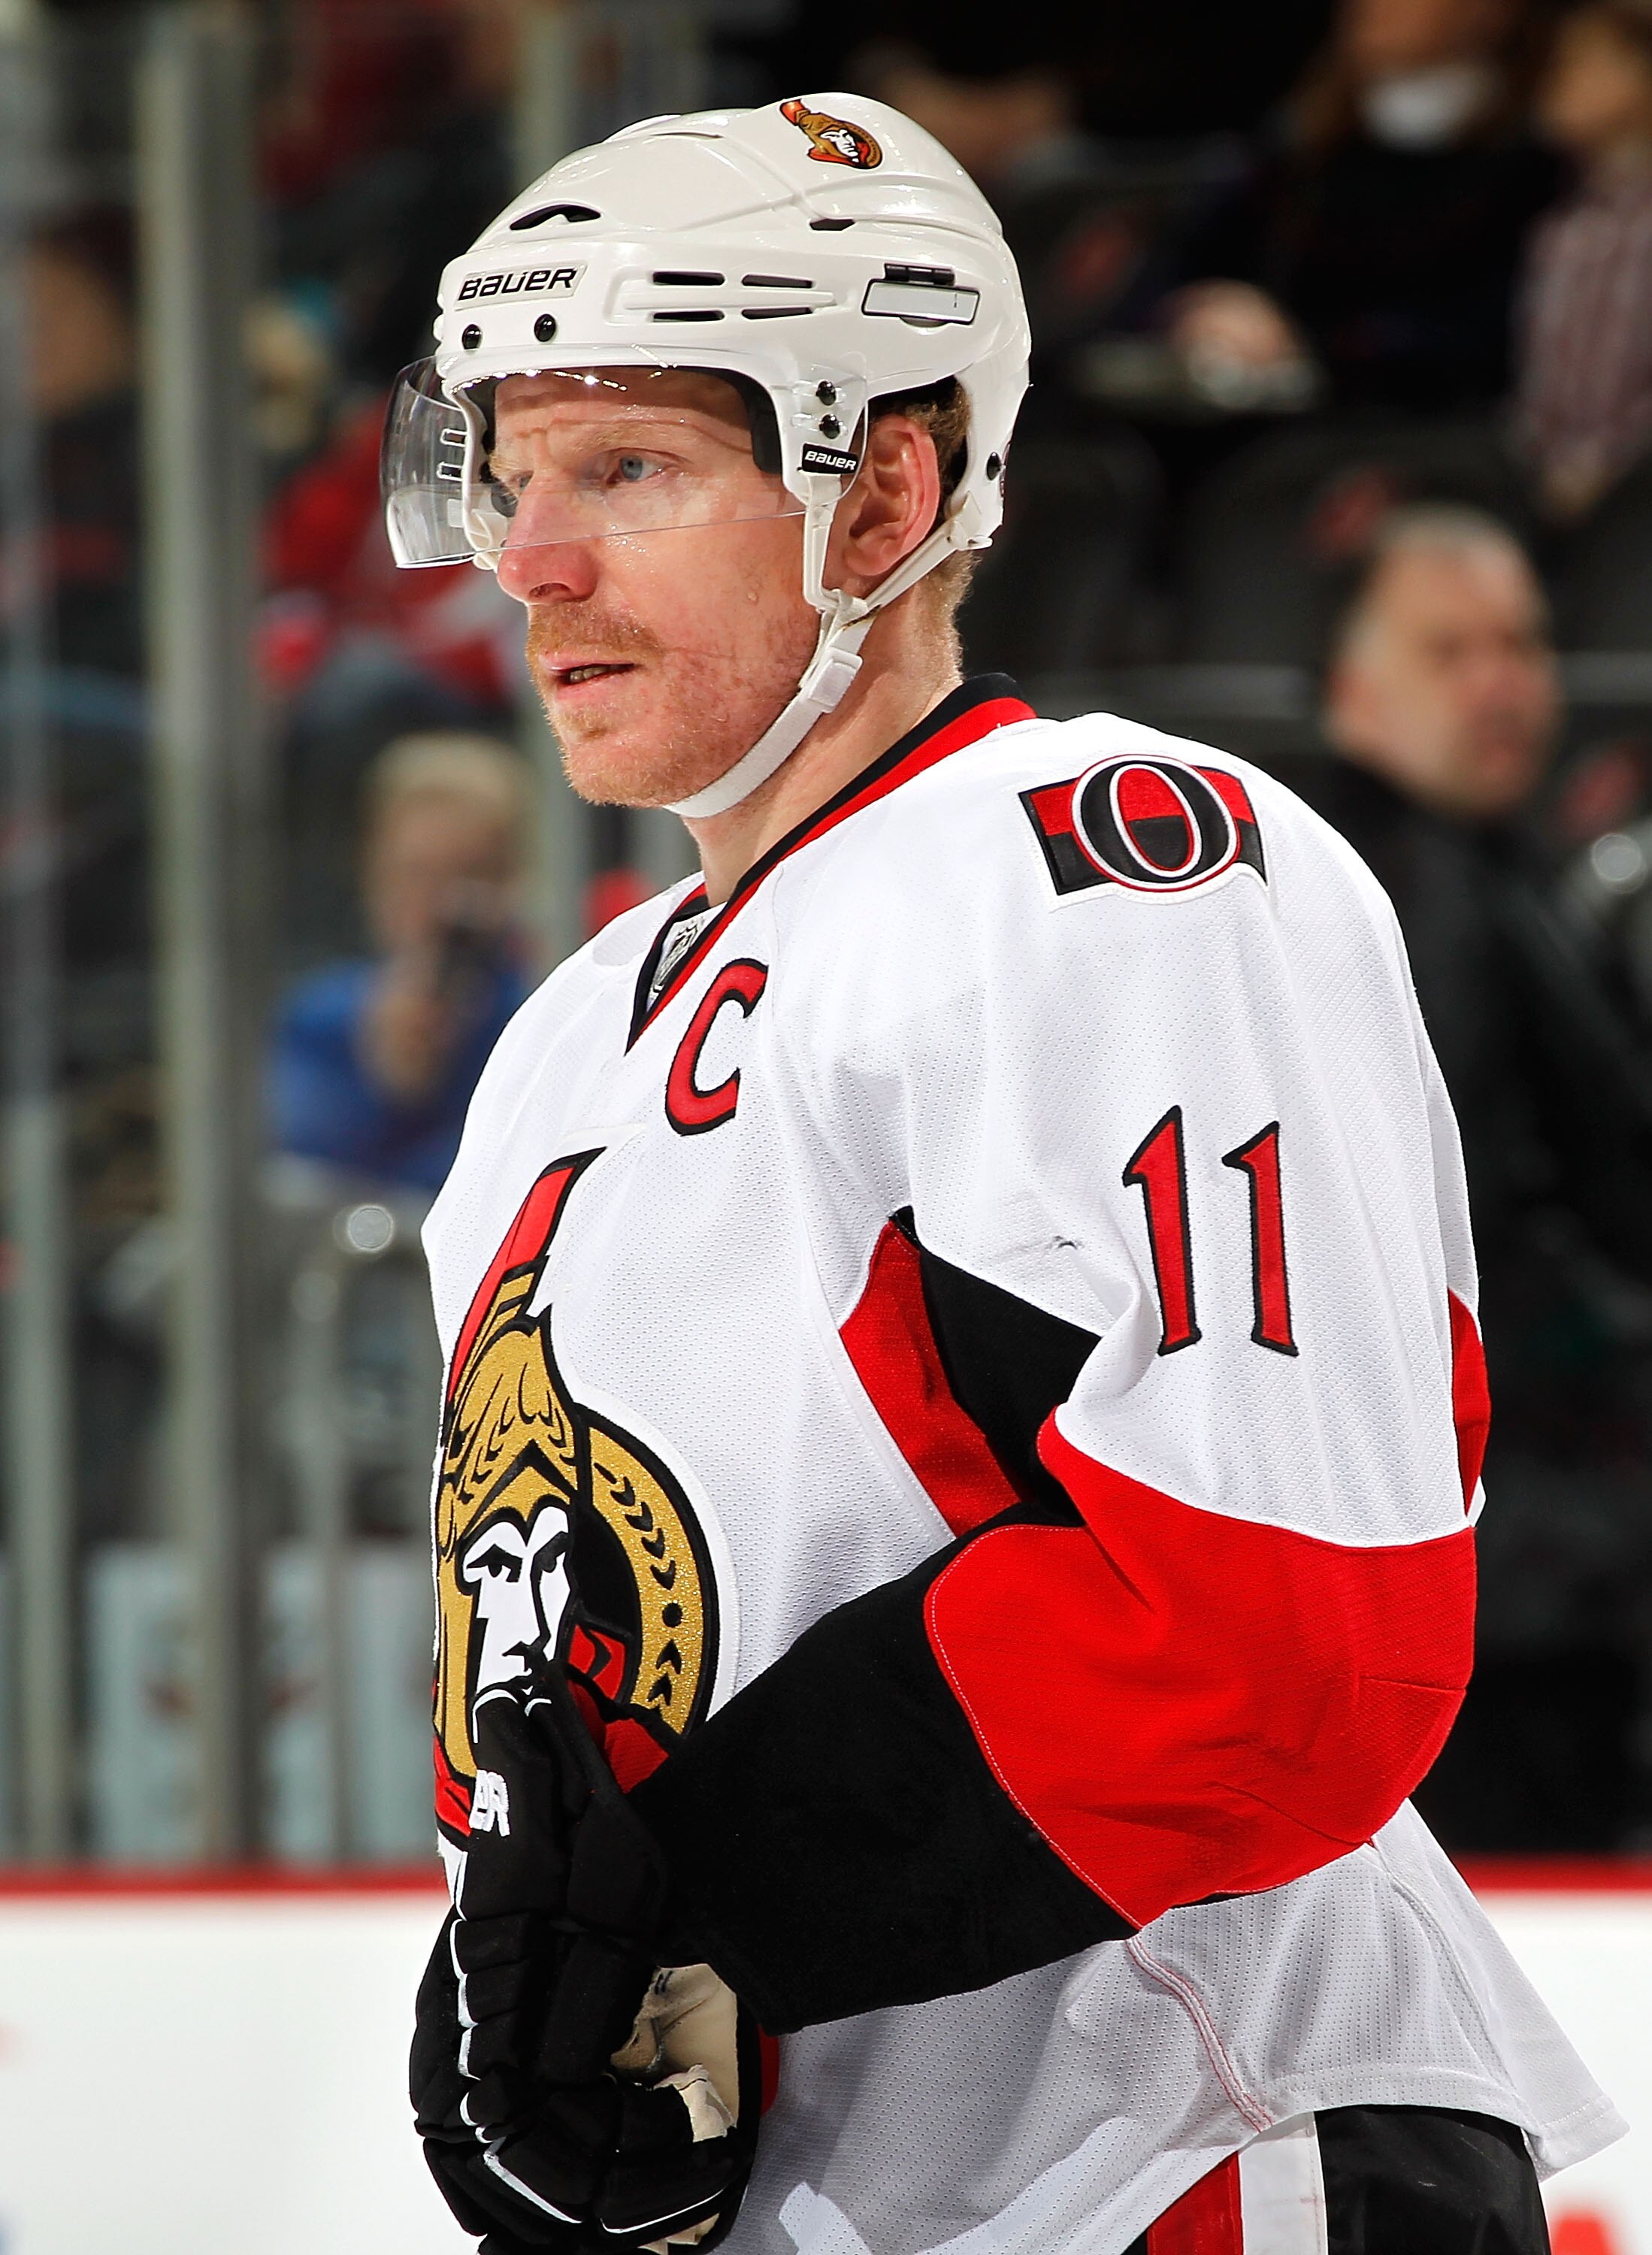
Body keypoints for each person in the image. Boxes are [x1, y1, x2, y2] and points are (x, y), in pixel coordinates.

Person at [387, 97, 1620, 2255]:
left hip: (1182, 2160)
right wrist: (538, 2023)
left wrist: (702, 1925)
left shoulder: (1100, 874)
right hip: (846, 2202)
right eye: (506, 473)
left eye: (626, 470)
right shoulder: (558, 1049)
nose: (527, 555)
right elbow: (566, 1696)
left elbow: (1270, 1632)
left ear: (879, 486)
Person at [1293, 504, 1652, 1849]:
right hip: (1488, 1572)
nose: (1502, 682)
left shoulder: (1486, 874)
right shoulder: (1387, 898)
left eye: (1521, 646)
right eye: (1451, 651)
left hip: (1517, 1552)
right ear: (1352, 689)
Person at [1171, 0, 1560, 414]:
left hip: (1428, 425)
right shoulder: (1298, 146)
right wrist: (1204, 308)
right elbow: (1174, 268)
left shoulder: (1537, 164)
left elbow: (1494, 330)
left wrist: (1310, 343)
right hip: (1255, 406)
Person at [271, 732, 533, 1193]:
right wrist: (384, 1081)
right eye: (416, 874)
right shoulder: (321, 1018)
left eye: (470, 874)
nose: (437, 905)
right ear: (372, 874)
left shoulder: (540, 1017)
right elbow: (297, 1172)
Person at [1514, 1, 1652, 520]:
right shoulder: (1562, 227)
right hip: (1547, 494)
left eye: (1577, 63)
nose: (1554, 83)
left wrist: (1606, 464)